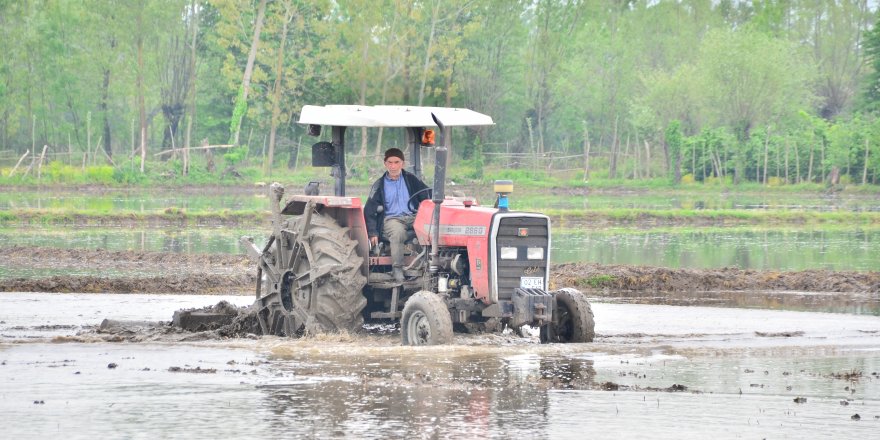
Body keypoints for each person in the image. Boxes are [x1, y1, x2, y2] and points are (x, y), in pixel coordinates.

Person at [364, 148, 430, 282]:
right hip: (392, 219)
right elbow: (369, 210)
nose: (393, 166)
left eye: (396, 162)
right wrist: (372, 232)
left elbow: (427, 195)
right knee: (398, 233)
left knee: (431, 228)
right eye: (390, 162)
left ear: (402, 164)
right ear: (385, 164)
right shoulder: (379, 185)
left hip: (412, 216)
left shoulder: (411, 179)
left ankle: (429, 265)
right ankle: (397, 269)